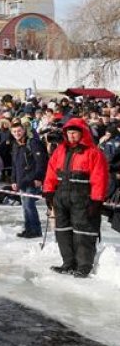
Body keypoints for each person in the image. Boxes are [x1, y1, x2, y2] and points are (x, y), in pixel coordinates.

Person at [43, 117, 109, 278]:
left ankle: (83, 266)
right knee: (63, 231)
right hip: (62, 196)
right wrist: (48, 191)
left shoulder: (93, 153)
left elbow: (100, 177)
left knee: (83, 232)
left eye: (74, 133)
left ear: (83, 133)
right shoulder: (60, 151)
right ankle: (68, 263)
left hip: (83, 198)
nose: (71, 136)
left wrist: (96, 200)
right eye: (69, 133)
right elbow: (51, 172)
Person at [10, 120, 47, 238]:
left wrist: (39, 178)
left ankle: (36, 230)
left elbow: (41, 162)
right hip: (21, 180)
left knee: (29, 205)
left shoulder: (33, 143)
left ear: (24, 131)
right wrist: (13, 180)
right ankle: (28, 228)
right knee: (25, 206)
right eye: (15, 131)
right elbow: (15, 165)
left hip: (31, 179)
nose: (17, 133)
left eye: (19, 131)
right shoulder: (15, 145)